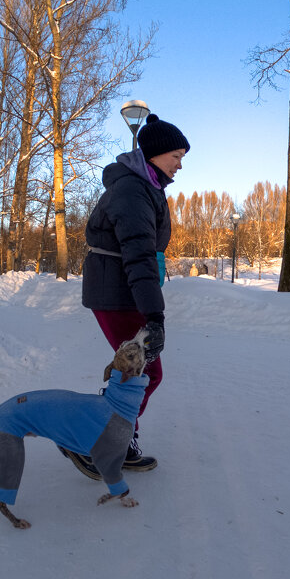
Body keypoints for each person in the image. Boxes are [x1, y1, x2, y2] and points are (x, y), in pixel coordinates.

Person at [61, 113, 189, 478]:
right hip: (117, 292)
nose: (180, 165)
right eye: (175, 156)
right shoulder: (134, 190)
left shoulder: (146, 187)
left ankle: (118, 439)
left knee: (136, 373)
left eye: (182, 157)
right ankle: (94, 441)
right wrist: (155, 316)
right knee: (144, 372)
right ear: (154, 153)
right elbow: (137, 254)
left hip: (121, 289)